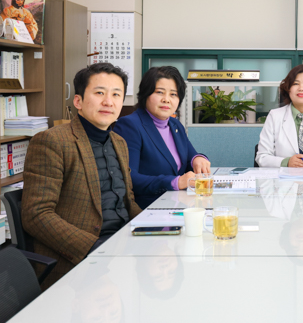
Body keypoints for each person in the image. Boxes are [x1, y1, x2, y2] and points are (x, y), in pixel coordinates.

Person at [22, 63, 142, 289]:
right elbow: (36, 215)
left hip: (123, 249)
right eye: (100, 93)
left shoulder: (119, 143)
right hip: (80, 259)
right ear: (78, 101)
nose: (109, 102)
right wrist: (94, 248)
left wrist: (154, 225)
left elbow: (127, 202)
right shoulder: (53, 141)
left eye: (116, 94)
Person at [113, 66, 210, 209]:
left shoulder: (175, 125)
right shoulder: (130, 125)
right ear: (145, 94)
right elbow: (128, 178)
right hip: (147, 208)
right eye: (159, 92)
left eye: (173, 94)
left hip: (177, 205)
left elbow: (191, 157)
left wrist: (198, 158)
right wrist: (174, 182)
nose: (166, 100)